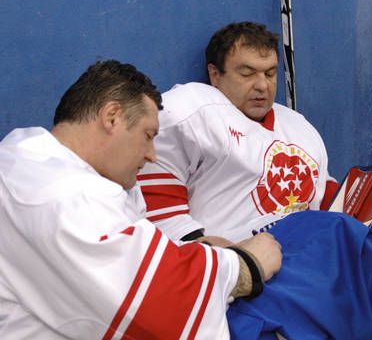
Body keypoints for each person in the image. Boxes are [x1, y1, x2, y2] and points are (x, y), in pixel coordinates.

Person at [0, 60, 282, 340]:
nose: (152, 154)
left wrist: (190, 250)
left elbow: (118, 252)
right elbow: (158, 303)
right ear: (111, 117)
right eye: (148, 135)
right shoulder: (56, 192)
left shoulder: (26, 154)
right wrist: (247, 263)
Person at [137, 21, 339, 244]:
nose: (262, 85)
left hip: (312, 251)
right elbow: (160, 215)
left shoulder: (298, 126)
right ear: (215, 74)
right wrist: (235, 260)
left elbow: (327, 197)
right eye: (247, 73)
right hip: (230, 259)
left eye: (270, 74)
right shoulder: (190, 113)